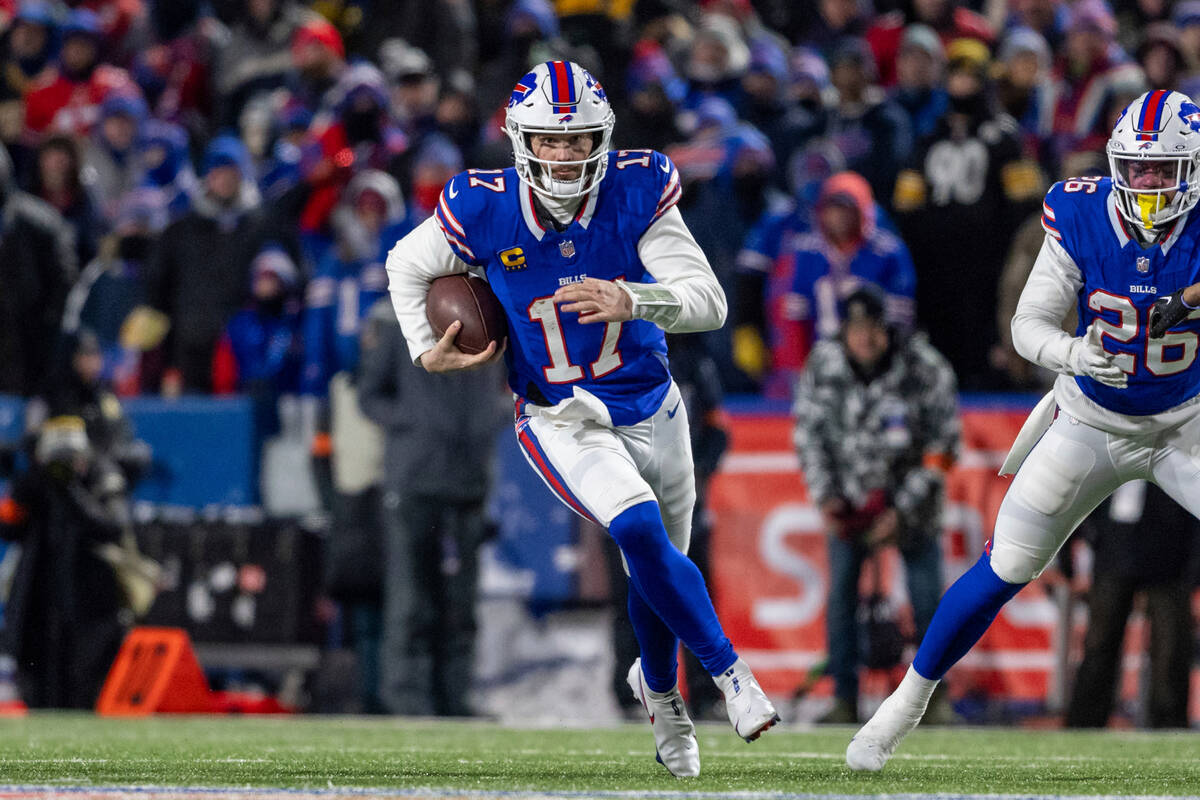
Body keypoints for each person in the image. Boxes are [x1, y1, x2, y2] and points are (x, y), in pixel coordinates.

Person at [386, 60, 779, 778]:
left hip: (652, 402)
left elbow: (710, 302)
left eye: (577, 142)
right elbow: (406, 265)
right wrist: (425, 349)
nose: (563, 157)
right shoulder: (482, 206)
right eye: (549, 141)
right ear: (520, 141)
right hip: (560, 414)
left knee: (659, 578)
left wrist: (635, 299)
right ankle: (730, 677)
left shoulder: (636, 188)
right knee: (636, 531)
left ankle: (660, 696)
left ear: (602, 139)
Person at [846, 89, 1200, 771]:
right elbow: (1027, 324)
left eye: (1163, 171)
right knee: (1008, 563)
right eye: (1137, 167)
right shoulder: (1080, 211)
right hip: (1092, 417)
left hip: (1185, 420)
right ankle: (906, 703)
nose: (1148, 183)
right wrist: (1074, 353)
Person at [793, 285, 959, 724]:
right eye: (856, 329)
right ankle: (844, 700)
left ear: (889, 330)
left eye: (874, 329)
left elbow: (945, 447)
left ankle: (934, 702)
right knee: (841, 601)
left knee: (929, 603)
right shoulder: (823, 365)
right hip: (849, 502)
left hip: (913, 508)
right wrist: (826, 497)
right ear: (843, 332)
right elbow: (808, 436)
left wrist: (902, 509)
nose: (865, 339)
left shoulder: (924, 367)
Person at [358, 299, 506, 717]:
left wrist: (487, 418)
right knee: (411, 597)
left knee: (461, 601)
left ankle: (454, 697)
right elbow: (368, 396)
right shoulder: (399, 321)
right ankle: (407, 699)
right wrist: (414, 422)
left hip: (468, 478)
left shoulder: (489, 315)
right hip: (415, 477)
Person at [1064, 481, 1198, 729]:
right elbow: (1085, 495)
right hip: (1114, 551)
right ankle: (1084, 726)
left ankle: (1169, 729)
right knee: (1099, 644)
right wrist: (1071, 556)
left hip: (1170, 554)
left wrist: (1194, 572)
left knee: (1171, 648)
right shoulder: (1111, 444)